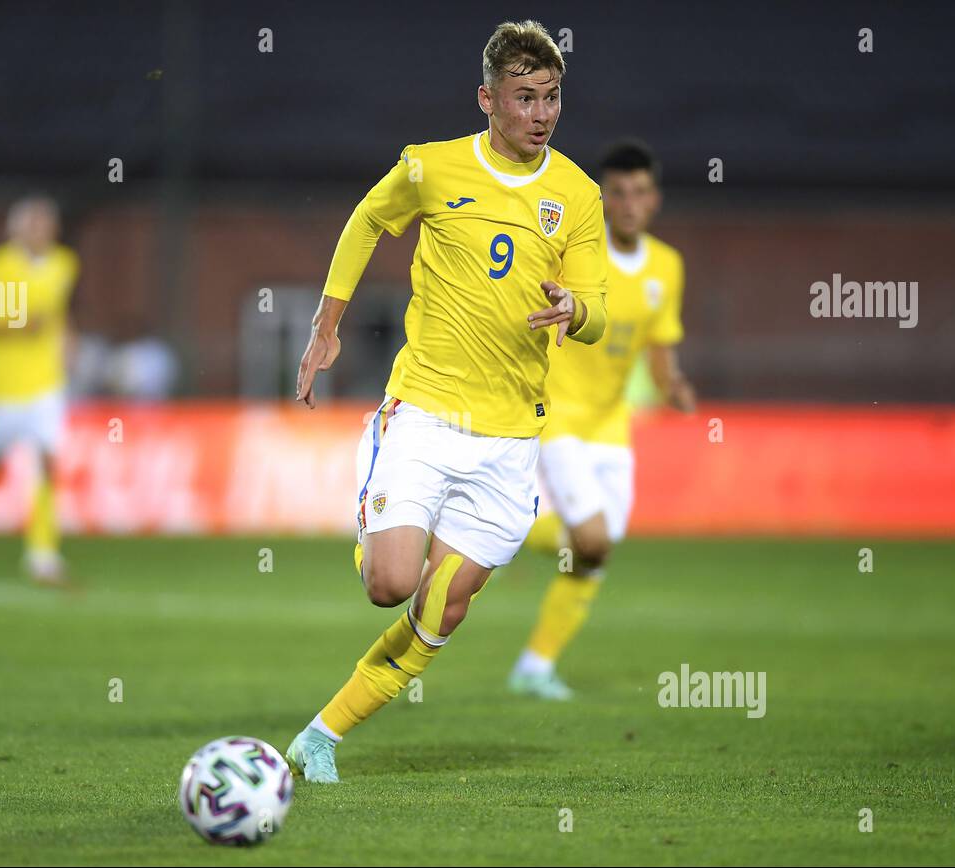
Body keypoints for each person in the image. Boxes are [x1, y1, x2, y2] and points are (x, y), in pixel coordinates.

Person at [284, 21, 607, 782]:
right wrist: (324, 329)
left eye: (552, 96)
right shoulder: (430, 168)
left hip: (510, 441)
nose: (542, 113)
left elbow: (598, 307)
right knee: (390, 585)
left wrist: (577, 313)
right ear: (488, 99)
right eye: (525, 97)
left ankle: (320, 737)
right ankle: (377, 509)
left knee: (441, 611)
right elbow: (368, 218)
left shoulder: (578, 196)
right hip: (426, 413)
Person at [509, 140, 696, 699]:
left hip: (613, 422)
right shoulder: (575, 253)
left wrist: (674, 387)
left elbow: (658, 349)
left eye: (640, 192)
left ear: (654, 199)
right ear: (602, 199)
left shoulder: (667, 266)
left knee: (596, 551)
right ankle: (503, 525)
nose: (629, 203)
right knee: (589, 537)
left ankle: (534, 666)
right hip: (558, 411)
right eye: (617, 192)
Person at [0, 196, 79, 587]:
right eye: (31, 223)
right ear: (14, 229)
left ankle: (43, 555)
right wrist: (18, 324)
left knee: (47, 463)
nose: (39, 230)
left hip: (46, 383)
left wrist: (70, 342)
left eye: (44, 223)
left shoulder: (64, 264)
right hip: (0, 384)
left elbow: (57, 313)